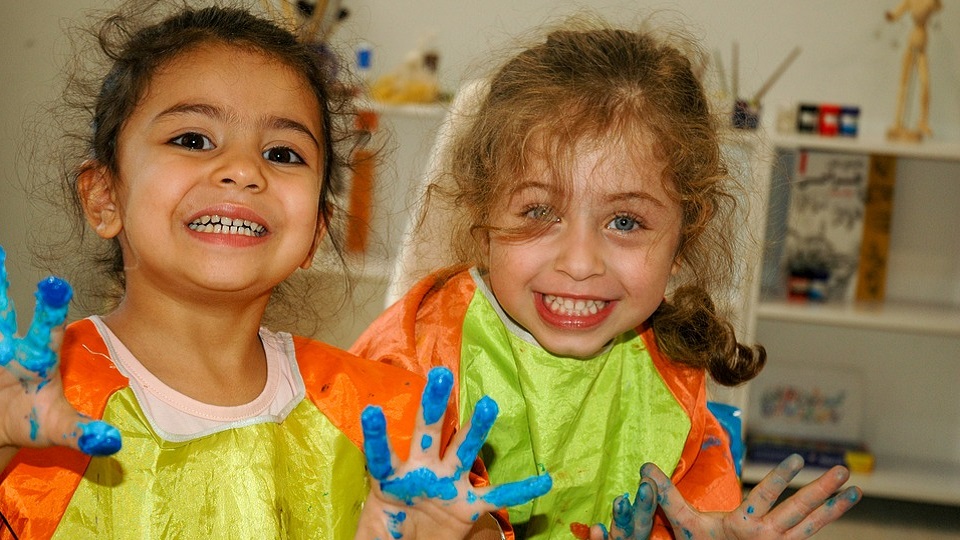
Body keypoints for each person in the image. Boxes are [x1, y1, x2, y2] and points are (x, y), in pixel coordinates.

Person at [0, 4, 550, 539]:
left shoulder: (386, 420)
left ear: (315, 230)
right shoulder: (30, 410)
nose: (242, 170)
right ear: (103, 197)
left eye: (283, 153)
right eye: (192, 140)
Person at [352, 19, 862, 539]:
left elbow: (696, 513)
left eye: (625, 222)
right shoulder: (416, 353)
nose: (579, 262)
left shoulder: (672, 376)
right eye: (538, 211)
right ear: (483, 214)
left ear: (684, 235)